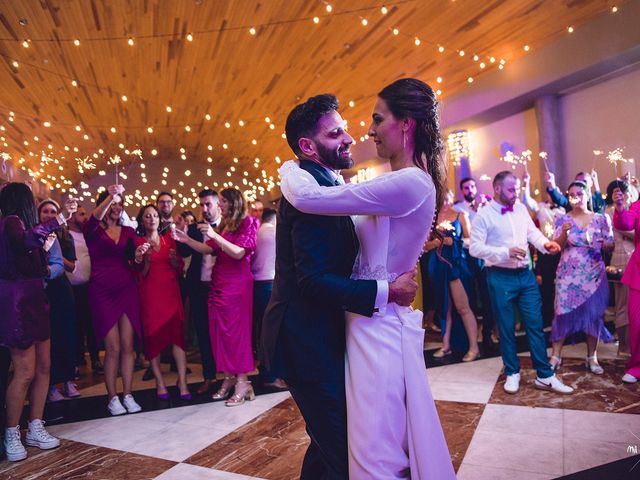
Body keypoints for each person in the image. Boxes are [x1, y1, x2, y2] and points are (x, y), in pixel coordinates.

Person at [268, 83, 454, 479]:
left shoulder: (408, 182)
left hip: (370, 327)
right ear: (308, 146)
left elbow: (316, 201)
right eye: (335, 133)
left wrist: (289, 171)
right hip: (322, 333)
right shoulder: (354, 183)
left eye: (375, 119)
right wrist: (291, 169)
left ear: (406, 125)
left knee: (361, 448)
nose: (361, 133)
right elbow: (312, 278)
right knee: (343, 447)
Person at [470, 171, 574, 395]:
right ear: (496, 189)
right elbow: (475, 248)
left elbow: (532, 233)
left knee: (535, 324)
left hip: (525, 276)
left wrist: (546, 244)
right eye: (510, 189)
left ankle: (544, 375)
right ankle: (512, 372)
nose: (515, 193)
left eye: (516, 188)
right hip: (499, 276)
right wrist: (504, 252)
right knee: (506, 328)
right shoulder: (484, 215)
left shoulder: (520, 208)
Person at [0, 183, 76, 461]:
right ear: (21, 201)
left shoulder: (24, 228)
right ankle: (11, 432)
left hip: (36, 299)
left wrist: (44, 256)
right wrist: (59, 220)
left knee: (44, 367)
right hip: (18, 302)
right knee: (24, 371)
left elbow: (35, 262)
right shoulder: (11, 222)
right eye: (31, 199)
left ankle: (35, 425)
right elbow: (24, 243)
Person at [176, 189, 259, 406]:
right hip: (219, 283)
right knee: (219, 334)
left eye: (222, 201)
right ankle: (229, 378)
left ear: (232, 203)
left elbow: (239, 252)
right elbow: (208, 249)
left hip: (237, 285)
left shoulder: (247, 222)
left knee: (236, 334)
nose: (219, 205)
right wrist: (186, 240)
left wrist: (215, 235)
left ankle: (243, 382)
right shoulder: (224, 225)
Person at [84, 185, 143, 415]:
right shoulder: (93, 230)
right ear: (105, 203)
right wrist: (111, 194)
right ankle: (112, 398)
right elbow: (94, 216)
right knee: (113, 347)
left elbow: (135, 262)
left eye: (120, 204)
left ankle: (128, 394)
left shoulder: (128, 232)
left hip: (126, 289)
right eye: (112, 203)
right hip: (102, 291)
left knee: (128, 346)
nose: (117, 207)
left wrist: (138, 256)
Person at [550, 181, 614, 374]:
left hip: (592, 273)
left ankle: (591, 357)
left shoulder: (601, 219)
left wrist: (602, 243)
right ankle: (555, 356)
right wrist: (565, 232)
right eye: (572, 194)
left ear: (587, 195)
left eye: (580, 193)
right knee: (562, 313)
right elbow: (555, 246)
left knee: (593, 315)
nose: (576, 197)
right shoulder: (562, 219)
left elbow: (610, 245)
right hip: (568, 274)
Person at [133, 205, 190, 400]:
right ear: (142, 221)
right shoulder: (139, 242)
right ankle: (159, 381)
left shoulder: (170, 240)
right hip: (150, 296)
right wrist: (146, 259)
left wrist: (175, 262)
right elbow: (140, 271)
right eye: (148, 216)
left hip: (171, 294)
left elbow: (179, 268)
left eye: (155, 215)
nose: (152, 219)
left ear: (159, 219)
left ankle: (182, 381)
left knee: (178, 339)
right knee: (153, 339)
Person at [425, 189, 480, 361]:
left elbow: (471, 240)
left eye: (445, 198)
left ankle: (474, 347)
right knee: (444, 307)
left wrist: (453, 241)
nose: (443, 202)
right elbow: (424, 245)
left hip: (455, 265)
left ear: (449, 198)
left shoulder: (459, 215)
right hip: (438, 265)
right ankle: (446, 345)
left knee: (463, 307)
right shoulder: (431, 218)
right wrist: (436, 243)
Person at [175, 189, 221, 395]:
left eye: (208, 204)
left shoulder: (228, 226)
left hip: (222, 286)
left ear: (218, 204)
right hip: (199, 287)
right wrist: (180, 234)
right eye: (201, 205)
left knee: (225, 332)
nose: (204, 209)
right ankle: (209, 376)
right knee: (203, 333)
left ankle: (231, 376)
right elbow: (184, 252)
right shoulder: (194, 229)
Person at [37, 199, 81, 401]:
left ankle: (69, 380)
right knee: (50, 337)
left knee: (67, 334)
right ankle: (52, 385)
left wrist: (56, 253)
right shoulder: (34, 235)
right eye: (45, 211)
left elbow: (72, 266)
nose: (48, 214)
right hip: (42, 289)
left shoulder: (65, 236)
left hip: (62, 288)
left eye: (53, 211)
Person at [521, 171, 565, 328]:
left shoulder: (564, 209)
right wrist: (526, 182)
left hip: (562, 249)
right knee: (546, 284)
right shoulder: (541, 208)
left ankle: (561, 315)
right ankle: (547, 316)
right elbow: (526, 200)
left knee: (561, 284)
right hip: (545, 248)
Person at [250, 208, 286, 389]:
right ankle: (271, 376)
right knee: (272, 332)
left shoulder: (256, 230)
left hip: (255, 284)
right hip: (269, 283)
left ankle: (266, 371)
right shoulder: (272, 232)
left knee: (261, 331)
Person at [67, 205, 102, 374]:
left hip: (89, 285)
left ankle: (95, 359)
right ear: (72, 216)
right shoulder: (66, 234)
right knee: (74, 325)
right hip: (71, 286)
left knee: (91, 324)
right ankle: (76, 361)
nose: (85, 217)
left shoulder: (88, 234)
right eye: (81, 214)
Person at [612, 185, 640, 383]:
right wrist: (620, 207)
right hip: (639, 271)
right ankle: (637, 366)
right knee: (637, 321)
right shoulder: (637, 206)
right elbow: (625, 222)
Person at [605, 180, 634, 357]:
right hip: (620, 261)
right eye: (615, 192)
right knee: (622, 305)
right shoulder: (609, 212)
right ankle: (624, 346)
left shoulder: (635, 210)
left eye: (622, 191)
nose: (620, 195)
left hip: (636, 257)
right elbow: (609, 240)